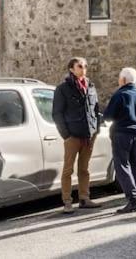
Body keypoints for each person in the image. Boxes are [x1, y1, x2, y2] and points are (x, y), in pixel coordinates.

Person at [52, 57, 103, 213]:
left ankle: (84, 198)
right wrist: (66, 135)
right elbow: (57, 114)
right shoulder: (63, 89)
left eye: (85, 66)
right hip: (72, 136)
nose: (83, 69)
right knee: (68, 170)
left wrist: (96, 128)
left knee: (84, 169)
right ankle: (67, 202)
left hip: (89, 135)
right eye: (80, 66)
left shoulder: (91, 87)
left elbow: (96, 109)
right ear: (72, 69)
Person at [103, 67, 136, 213]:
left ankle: (134, 199)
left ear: (123, 80)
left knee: (122, 166)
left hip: (122, 133)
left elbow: (109, 116)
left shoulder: (120, 94)